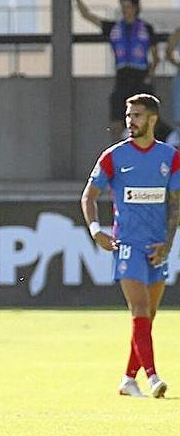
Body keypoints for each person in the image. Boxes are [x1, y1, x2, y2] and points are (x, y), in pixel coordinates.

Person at [81, 94, 176, 399]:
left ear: (152, 119)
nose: (130, 120)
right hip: (127, 245)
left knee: (147, 317)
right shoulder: (114, 156)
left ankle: (127, 379)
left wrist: (168, 245)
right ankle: (152, 377)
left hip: (157, 247)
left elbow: (176, 206)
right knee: (138, 309)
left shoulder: (170, 158)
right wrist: (96, 230)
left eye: (136, 115)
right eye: (128, 115)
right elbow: (89, 197)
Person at [73, 0, 158, 141]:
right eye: (123, 7)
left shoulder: (147, 28)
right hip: (122, 76)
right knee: (117, 119)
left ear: (136, 8)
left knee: (144, 122)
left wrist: (149, 76)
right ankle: (117, 155)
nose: (125, 10)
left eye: (128, 6)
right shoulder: (114, 27)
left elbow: (156, 56)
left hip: (140, 76)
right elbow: (86, 15)